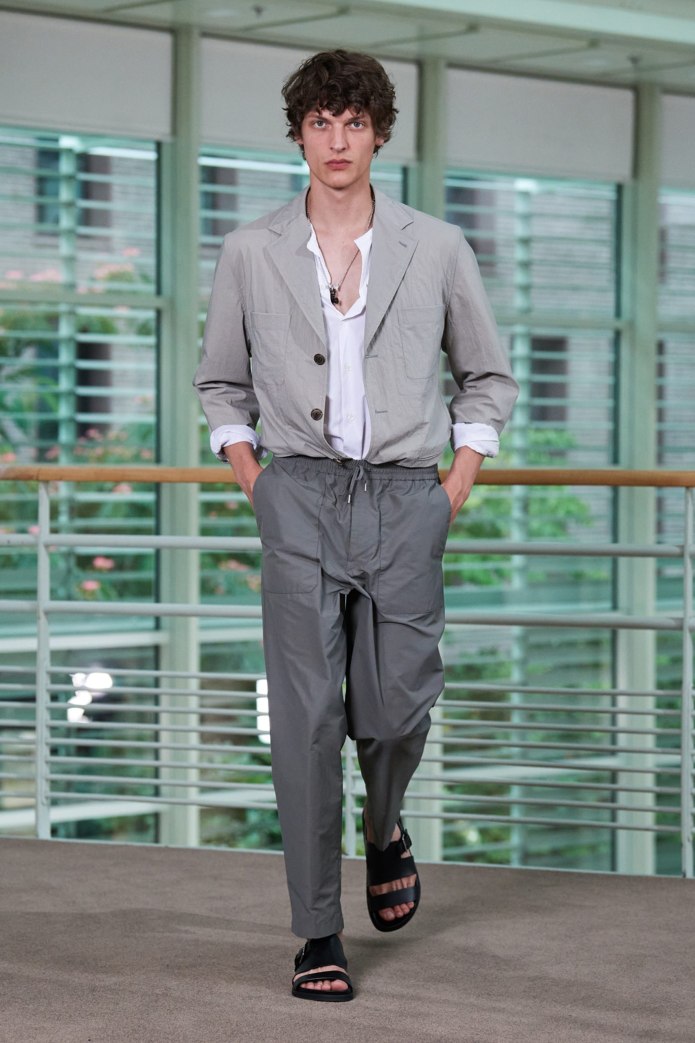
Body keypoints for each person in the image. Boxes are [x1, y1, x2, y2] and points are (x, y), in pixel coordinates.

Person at [194, 49, 518, 1002]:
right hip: (295, 494)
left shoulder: (438, 246)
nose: (337, 140)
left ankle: (384, 825)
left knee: (394, 708)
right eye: (320, 122)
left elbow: (486, 375)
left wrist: (454, 483)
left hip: (406, 498)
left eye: (354, 122)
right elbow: (220, 381)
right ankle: (317, 932)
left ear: (378, 134)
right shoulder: (251, 249)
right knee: (304, 721)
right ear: (298, 135)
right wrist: (254, 478)